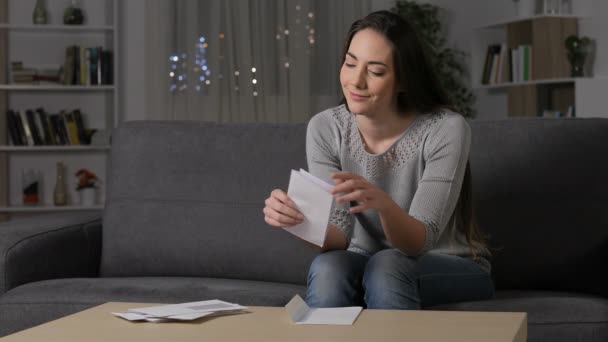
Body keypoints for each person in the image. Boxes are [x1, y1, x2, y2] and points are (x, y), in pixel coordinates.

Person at [262, 10, 494, 309]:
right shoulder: (325, 128)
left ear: (403, 81)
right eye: (349, 63)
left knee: (387, 267)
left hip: (449, 262)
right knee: (328, 267)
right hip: (367, 261)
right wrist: (299, 222)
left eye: (376, 71)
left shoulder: (445, 129)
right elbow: (338, 236)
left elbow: (419, 241)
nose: (355, 81)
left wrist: (383, 205)